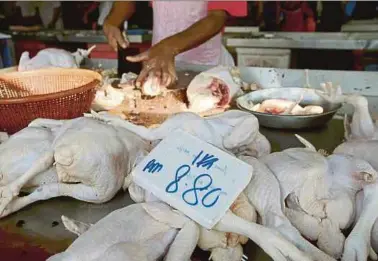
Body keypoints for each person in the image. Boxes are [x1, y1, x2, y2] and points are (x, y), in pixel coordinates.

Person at [103, 1, 247, 88]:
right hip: (160, 66)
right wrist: (112, 21)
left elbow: (217, 17)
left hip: (208, 68)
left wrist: (168, 48)